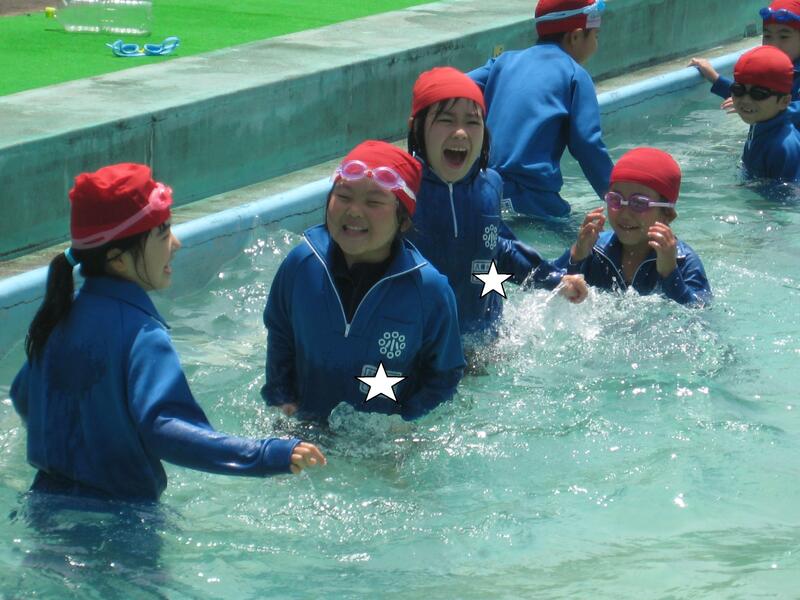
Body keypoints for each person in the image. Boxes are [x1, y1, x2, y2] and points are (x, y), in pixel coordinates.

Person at [10, 163, 325, 502]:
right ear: (118, 259)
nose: (175, 243)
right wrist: (266, 454)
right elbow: (165, 429)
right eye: (162, 233)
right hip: (121, 519)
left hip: (42, 506)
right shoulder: (141, 334)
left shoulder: (59, 317)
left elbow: (23, 395)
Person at [262, 141, 465, 422]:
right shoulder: (301, 265)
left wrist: (407, 424)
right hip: (305, 429)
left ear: (403, 220)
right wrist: (281, 399)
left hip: (381, 442)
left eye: (373, 202)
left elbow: (445, 375)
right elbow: (280, 333)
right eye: (344, 196)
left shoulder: (429, 290)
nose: (355, 211)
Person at [405, 66, 588, 340]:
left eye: (472, 121)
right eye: (446, 120)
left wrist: (553, 278)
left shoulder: (489, 186)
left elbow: (498, 248)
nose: (460, 132)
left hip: (483, 338)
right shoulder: (400, 191)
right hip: (420, 343)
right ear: (416, 126)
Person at [468, 0, 613, 219]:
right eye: (596, 35)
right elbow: (587, 144)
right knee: (583, 237)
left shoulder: (503, 62)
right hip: (533, 200)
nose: (597, 43)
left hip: (485, 190)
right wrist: (617, 196)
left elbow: (455, 84)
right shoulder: (575, 75)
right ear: (575, 36)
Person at [554, 148, 711, 306]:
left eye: (639, 203)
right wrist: (577, 256)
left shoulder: (683, 260)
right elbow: (544, 282)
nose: (625, 214)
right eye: (615, 200)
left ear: (667, 215)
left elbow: (698, 310)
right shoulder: (594, 249)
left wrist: (669, 272)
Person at [690, 0, 800, 104]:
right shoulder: (767, 67)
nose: (773, 44)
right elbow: (751, 96)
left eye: (784, 36)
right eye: (767, 36)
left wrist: (755, 104)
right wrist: (714, 78)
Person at [730, 45, 800, 182]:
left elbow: (787, 193)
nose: (745, 100)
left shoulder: (781, 147)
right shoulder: (761, 122)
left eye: (759, 94)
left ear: (784, 101)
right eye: (738, 90)